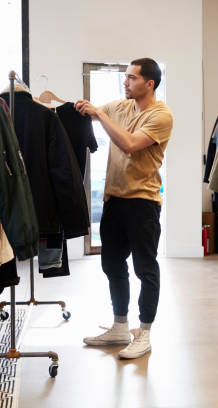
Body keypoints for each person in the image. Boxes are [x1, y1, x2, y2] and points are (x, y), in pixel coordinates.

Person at [75, 58, 173, 359]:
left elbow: (130, 144)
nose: (125, 83)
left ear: (149, 83)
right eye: (125, 77)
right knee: (112, 265)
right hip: (114, 200)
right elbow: (89, 114)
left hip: (143, 203)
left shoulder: (161, 115)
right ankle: (120, 326)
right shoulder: (121, 106)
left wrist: (99, 116)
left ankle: (144, 333)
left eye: (131, 78)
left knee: (145, 268)